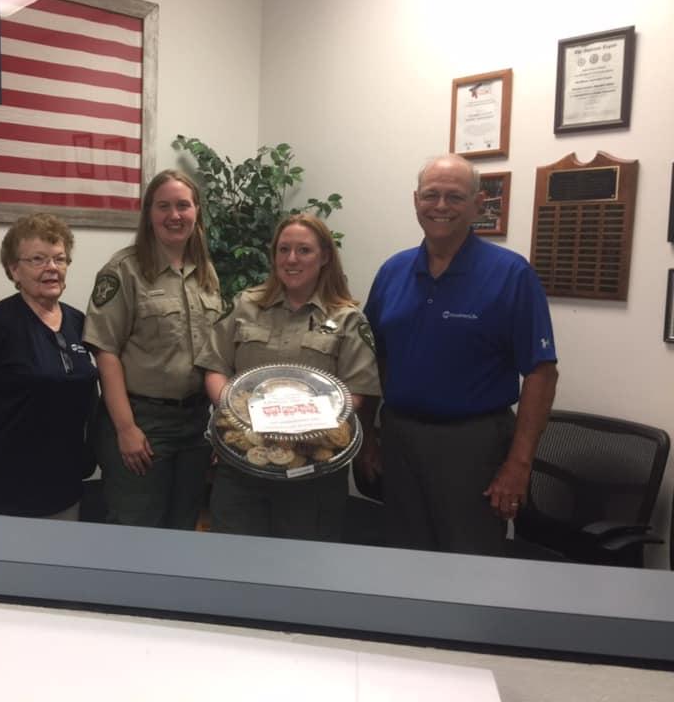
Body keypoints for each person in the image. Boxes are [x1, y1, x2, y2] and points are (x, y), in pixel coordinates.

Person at [363, 154, 559, 556]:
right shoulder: (392, 271)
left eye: (454, 197)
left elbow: (541, 373)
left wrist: (519, 465)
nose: (440, 206)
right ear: (415, 200)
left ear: (478, 204)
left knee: (469, 560)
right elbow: (371, 360)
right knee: (403, 553)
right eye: (431, 195)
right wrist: (367, 437)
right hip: (400, 436)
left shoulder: (510, 274)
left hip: (473, 445)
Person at [196, 213, 381, 541]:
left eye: (304, 250)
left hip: (311, 471)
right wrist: (238, 417)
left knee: (304, 567)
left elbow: (356, 392)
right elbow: (215, 367)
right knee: (233, 561)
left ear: (325, 256)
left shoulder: (348, 318)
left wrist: (298, 425)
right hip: (242, 466)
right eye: (283, 250)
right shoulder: (245, 305)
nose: (291, 259)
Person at [83, 169, 225, 529]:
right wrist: (126, 428)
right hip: (142, 420)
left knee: (183, 526)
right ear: (149, 214)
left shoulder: (205, 272)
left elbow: (214, 355)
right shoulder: (124, 270)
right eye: (163, 206)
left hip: (195, 424)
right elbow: (106, 352)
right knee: (137, 529)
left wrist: (221, 425)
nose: (174, 216)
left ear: (197, 212)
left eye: (183, 206)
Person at [0, 214, 98, 520]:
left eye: (59, 259)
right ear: (14, 269)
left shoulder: (78, 322)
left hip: (62, 480)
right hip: (3, 484)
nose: (51, 268)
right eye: (38, 259)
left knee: (59, 564)